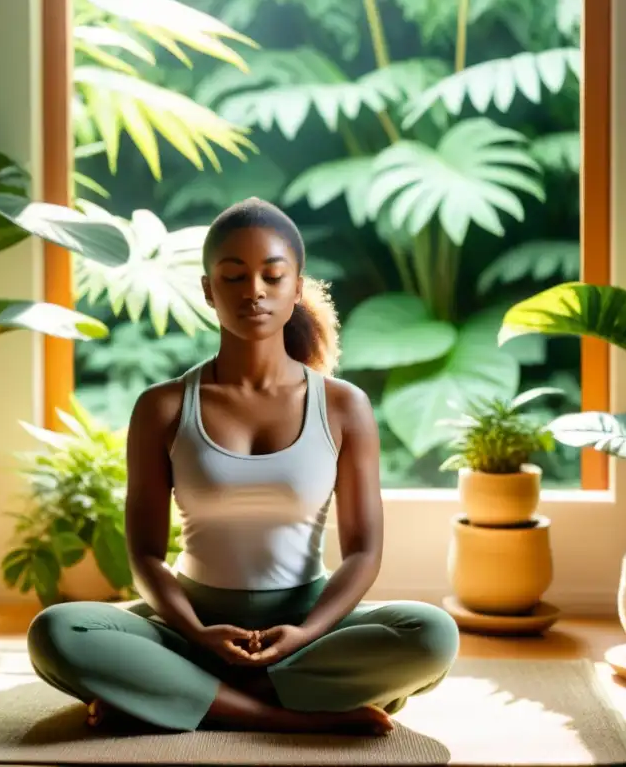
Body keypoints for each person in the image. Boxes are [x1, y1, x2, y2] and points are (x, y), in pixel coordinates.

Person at [27, 198, 460, 737]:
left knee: (432, 634)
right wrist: (196, 632)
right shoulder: (162, 407)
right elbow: (143, 554)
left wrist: (305, 635)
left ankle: (173, 695)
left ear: (295, 287)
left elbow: (364, 552)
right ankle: (284, 713)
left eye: (272, 276)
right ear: (209, 290)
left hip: (309, 623)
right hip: (189, 627)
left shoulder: (344, 406)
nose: (253, 291)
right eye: (233, 277)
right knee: (57, 632)